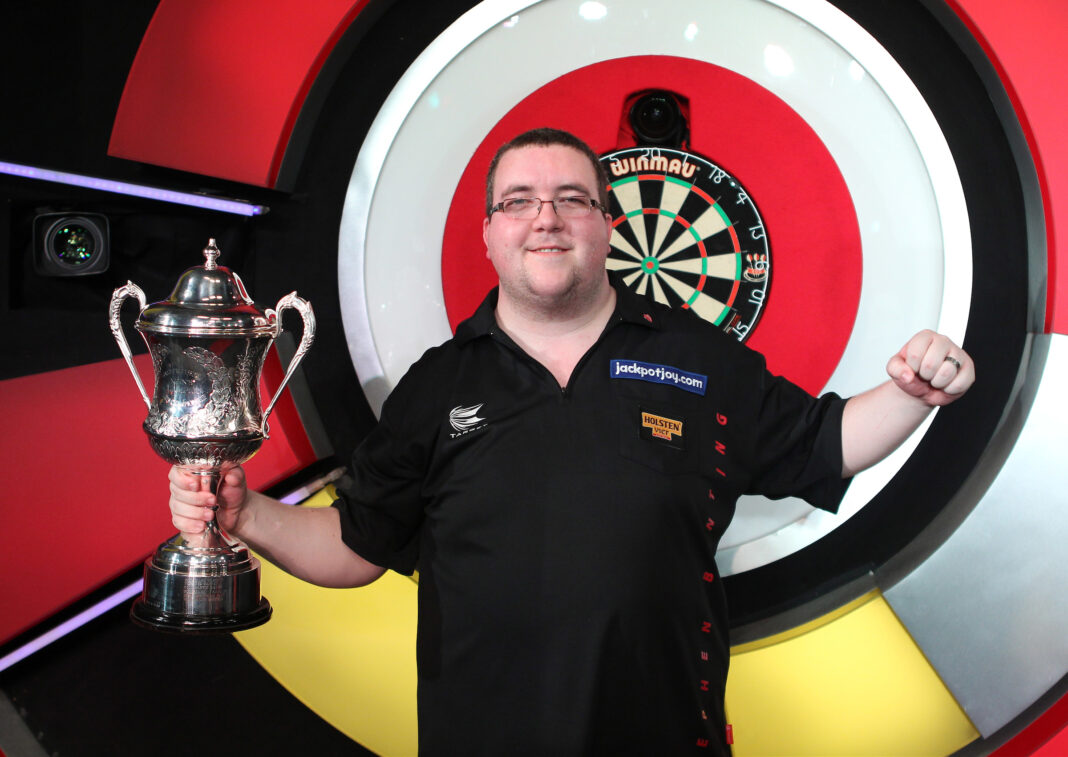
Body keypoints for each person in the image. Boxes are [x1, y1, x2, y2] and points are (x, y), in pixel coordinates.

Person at [169, 128, 975, 755]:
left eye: (571, 199)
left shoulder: (699, 359)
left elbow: (829, 442)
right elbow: (356, 543)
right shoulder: (438, 385)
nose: (545, 218)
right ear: (489, 234)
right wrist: (245, 514)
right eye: (518, 201)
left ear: (607, 226)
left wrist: (915, 392)